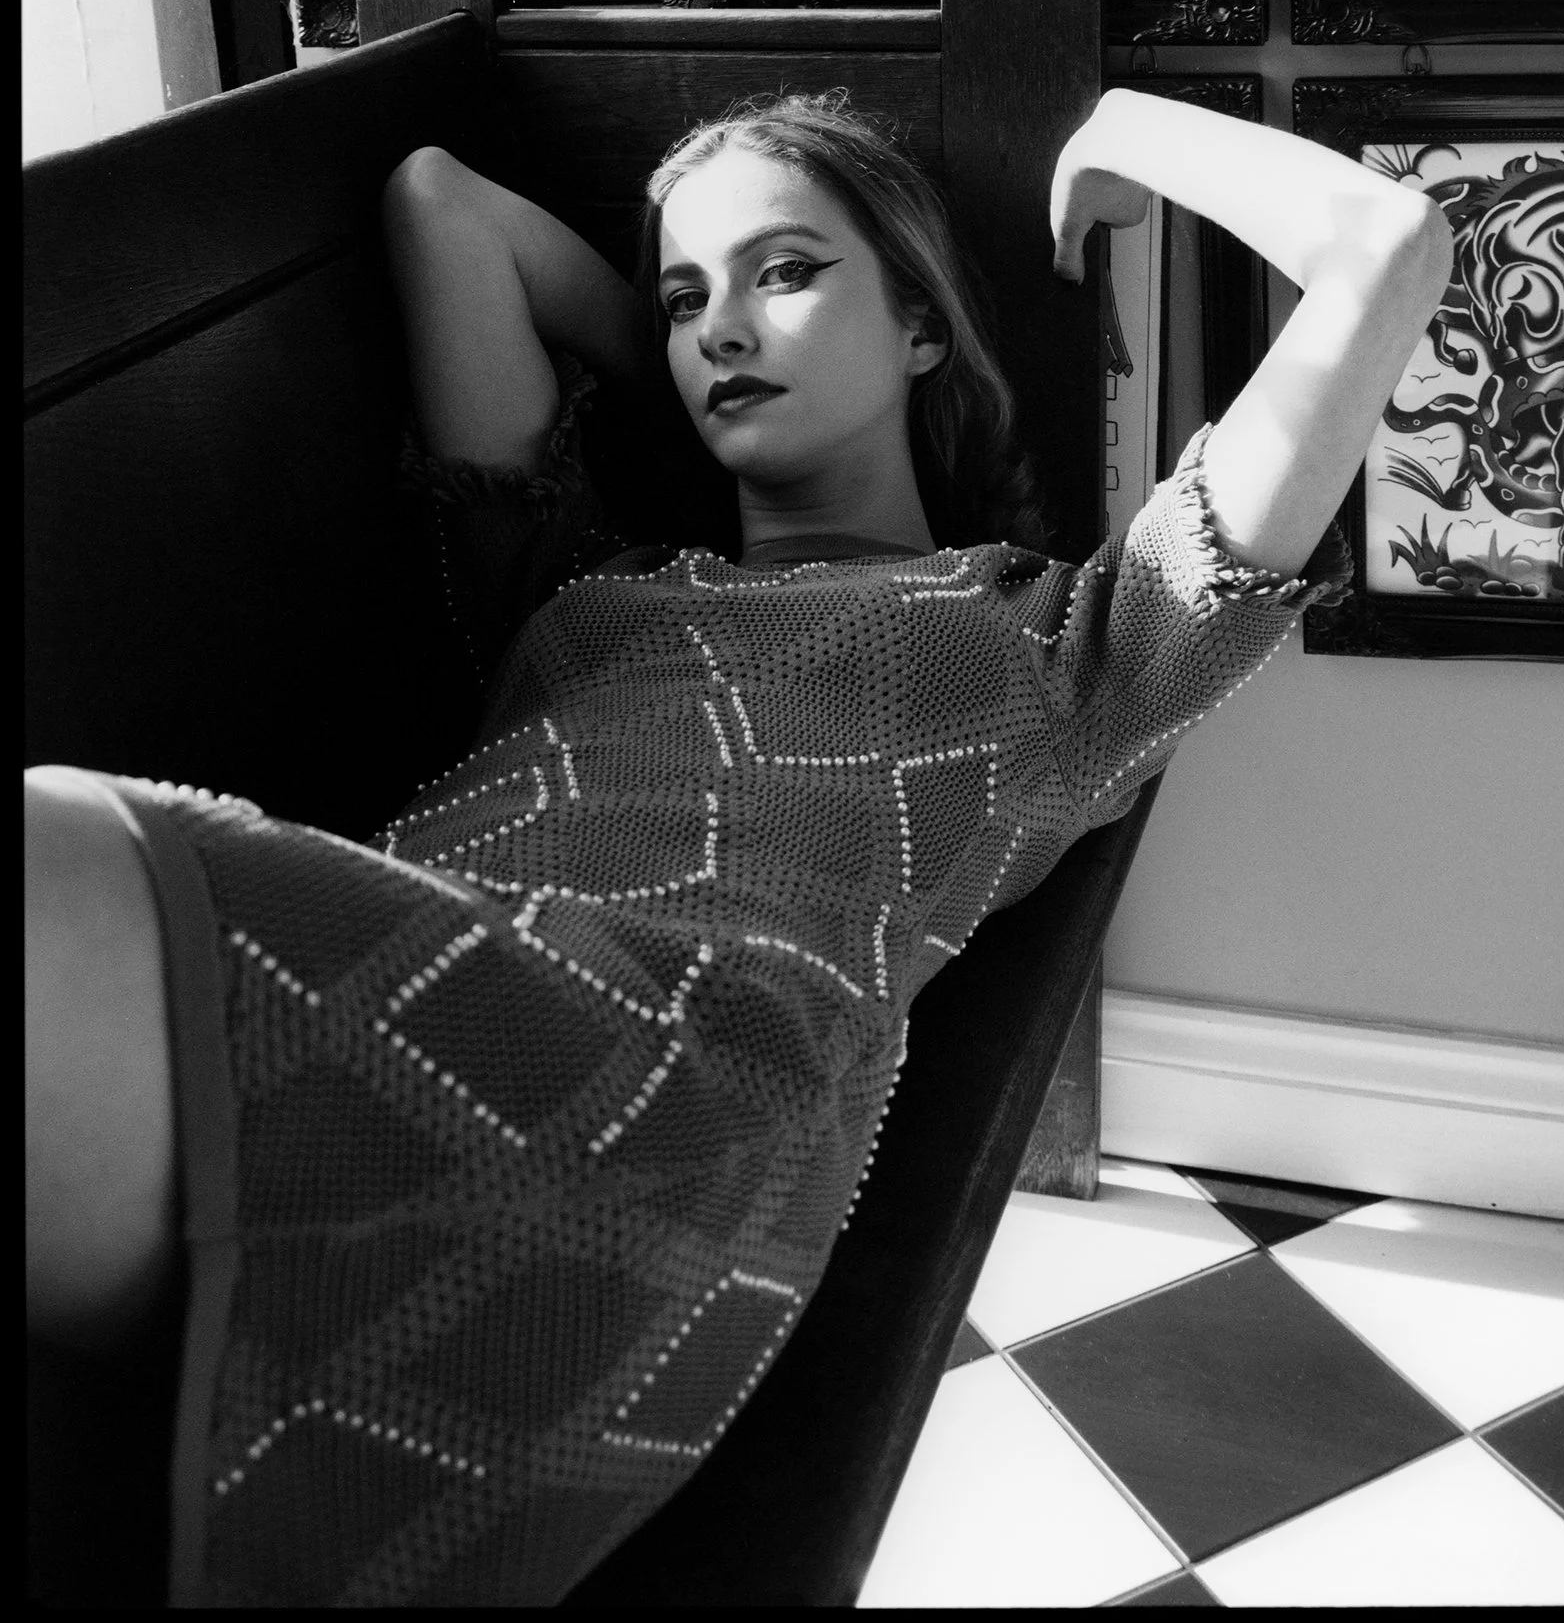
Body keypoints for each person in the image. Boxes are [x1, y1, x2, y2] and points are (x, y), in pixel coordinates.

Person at [25, 85, 1451, 1607]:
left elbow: (1385, 250)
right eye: (682, 298)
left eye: (786, 270)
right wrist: (702, 359)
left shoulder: (1060, 651)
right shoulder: (575, 577)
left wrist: (1115, 131)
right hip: (389, 940)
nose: (720, 328)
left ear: (920, 326)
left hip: (650, 1082)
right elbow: (441, 204)